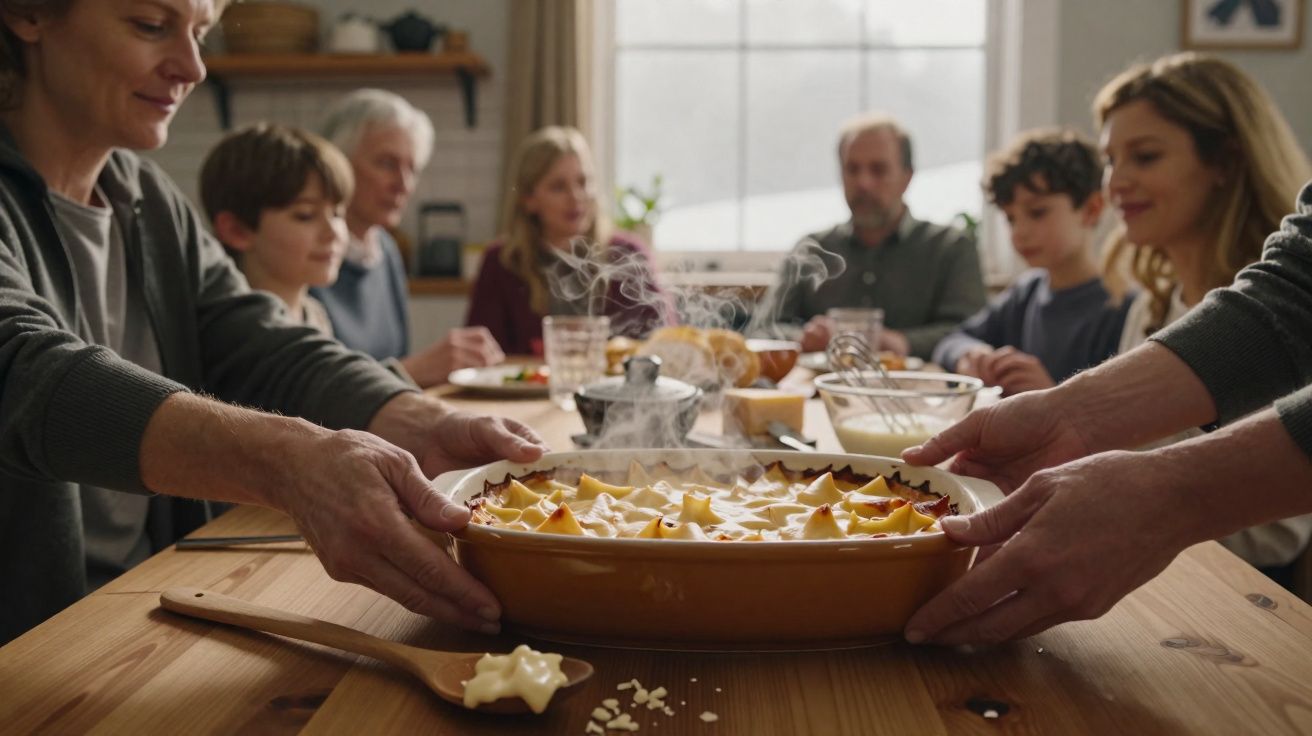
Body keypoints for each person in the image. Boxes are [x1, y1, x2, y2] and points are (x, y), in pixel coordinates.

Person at [0, 0, 543, 645]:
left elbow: (258, 340)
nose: (193, 67)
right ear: (29, 13)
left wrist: (412, 416)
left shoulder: (147, 201)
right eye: (151, 26)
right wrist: (287, 463)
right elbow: (24, 372)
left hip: (134, 611)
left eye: (201, 33)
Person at [899, 187, 1312, 647]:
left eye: (1147, 154)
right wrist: (1070, 414)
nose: (1118, 183)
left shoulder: (1113, 301)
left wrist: (1169, 496)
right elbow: (1298, 288)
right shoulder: (1125, 301)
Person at [1094, 53, 1312, 573]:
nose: (1115, 182)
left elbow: (1277, 536)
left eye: (1144, 157)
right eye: (1109, 160)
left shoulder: (1285, 322)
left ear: (1226, 161)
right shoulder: (1152, 302)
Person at [314, 89, 503, 387]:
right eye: (387, 164)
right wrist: (414, 370)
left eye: (412, 168)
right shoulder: (309, 252)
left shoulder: (386, 251)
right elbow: (313, 393)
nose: (404, 184)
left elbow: (396, 360)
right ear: (337, 163)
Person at [761, 113, 986, 360]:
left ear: (907, 177)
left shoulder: (950, 248)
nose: (864, 183)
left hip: (919, 395)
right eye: (852, 169)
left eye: (878, 170)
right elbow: (764, 329)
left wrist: (898, 342)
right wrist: (803, 338)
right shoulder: (812, 250)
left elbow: (972, 332)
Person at [934, 128, 1132, 396]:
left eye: (1037, 213)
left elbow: (1118, 417)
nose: (1019, 232)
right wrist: (973, 355)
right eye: (1010, 218)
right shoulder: (1027, 291)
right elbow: (950, 341)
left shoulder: (1121, 308)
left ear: (1091, 209)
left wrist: (1053, 397)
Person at [465, 125, 671, 356]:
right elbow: (478, 354)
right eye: (558, 187)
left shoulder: (628, 255)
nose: (576, 197)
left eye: (583, 182)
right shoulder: (501, 262)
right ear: (528, 199)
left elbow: (665, 341)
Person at [199, 123, 351, 334]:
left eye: (337, 214)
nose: (333, 233)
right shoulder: (233, 330)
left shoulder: (314, 314)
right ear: (237, 231)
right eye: (305, 215)